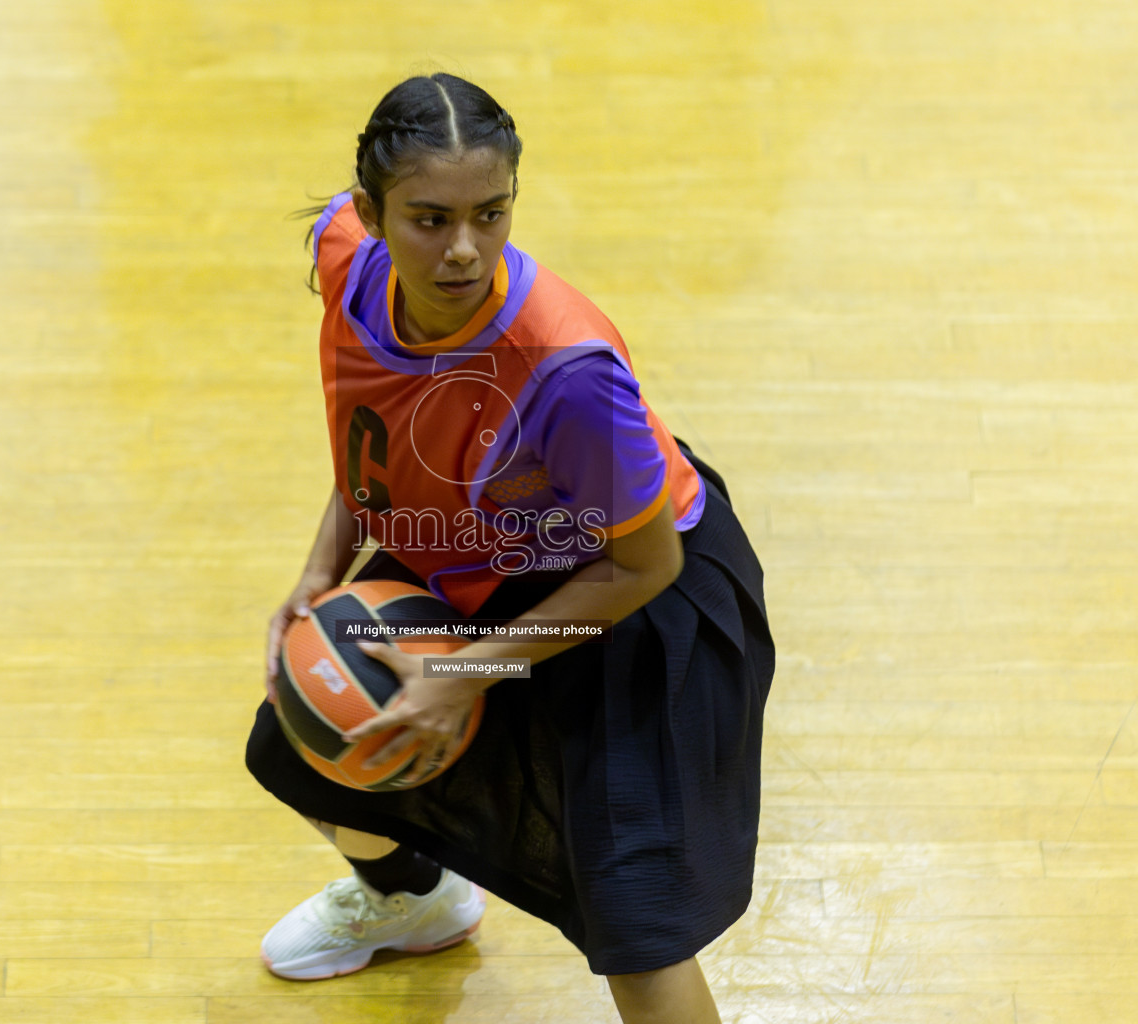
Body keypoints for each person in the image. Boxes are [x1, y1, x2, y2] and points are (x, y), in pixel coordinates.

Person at [246, 73, 774, 1024]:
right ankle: (412, 903)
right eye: (430, 218)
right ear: (369, 214)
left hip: (624, 595)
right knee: (314, 742)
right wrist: (322, 572)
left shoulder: (563, 370)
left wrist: (470, 671)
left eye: (491, 215)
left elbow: (646, 565)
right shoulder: (344, 257)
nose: (463, 250)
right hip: (471, 536)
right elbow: (375, 433)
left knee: (636, 921)